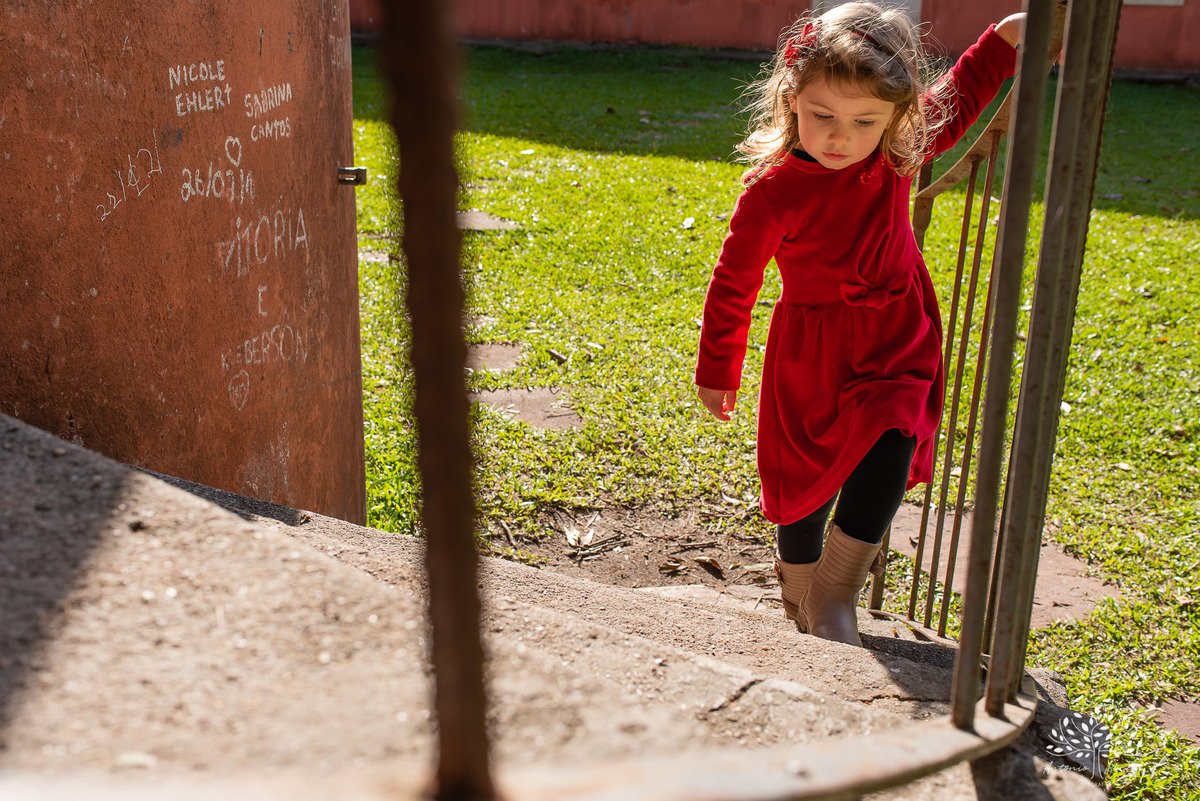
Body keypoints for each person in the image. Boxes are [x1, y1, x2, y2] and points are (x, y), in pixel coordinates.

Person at [695, 2, 1024, 647]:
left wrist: (1007, 38)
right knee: (804, 482)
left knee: (893, 438)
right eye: (822, 115)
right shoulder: (772, 192)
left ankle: (838, 593)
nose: (840, 137)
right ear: (791, 99)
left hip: (895, 337)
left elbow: (959, 96)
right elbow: (735, 282)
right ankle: (800, 585)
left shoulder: (894, 157)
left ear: (896, 118)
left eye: (864, 121)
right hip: (811, 354)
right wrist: (718, 369)